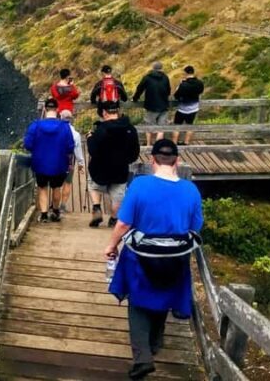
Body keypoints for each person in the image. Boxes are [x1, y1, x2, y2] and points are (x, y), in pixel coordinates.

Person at [104, 139, 203, 380]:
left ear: (153, 161)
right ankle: (155, 341)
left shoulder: (140, 185)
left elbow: (124, 223)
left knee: (137, 303)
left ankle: (142, 358)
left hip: (142, 256)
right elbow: (196, 226)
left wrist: (111, 245)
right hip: (175, 258)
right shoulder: (191, 190)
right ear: (177, 161)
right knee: (164, 295)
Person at [86, 103, 140, 228]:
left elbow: (93, 150)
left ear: (104, 113)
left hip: (100, 167)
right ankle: (114, 218)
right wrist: (126, 160)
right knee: (117, 195)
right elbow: (135, 153)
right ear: (118, 111)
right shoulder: (130, 129)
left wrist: (89, 138)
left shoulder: (101, 130)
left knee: (93, 186)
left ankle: (96, 207)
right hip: (120, 168)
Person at [24, 98, 75, 223]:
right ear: (57, 110)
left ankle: (44, 215)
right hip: (59, 164)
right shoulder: (65, 126)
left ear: (45, 109)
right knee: (56, 187)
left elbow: (28, 144)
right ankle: (56, 212)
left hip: (40, 163)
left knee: (42, 188)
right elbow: (70, 147)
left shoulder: (35, 125)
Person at [132, 62, 171, 146]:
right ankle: (157, 146)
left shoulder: (147, 78)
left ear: (153, 68)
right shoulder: (165, 77)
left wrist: (135, 98)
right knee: (161, 128)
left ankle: (149, 145)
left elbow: (140, 89)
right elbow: (168, 91)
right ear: (161, 68)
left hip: (151, 106)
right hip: (164, 105)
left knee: (149, 125)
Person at [60, 109, 85, 212]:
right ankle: (63, 206)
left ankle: (54, 206)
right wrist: (81, 163)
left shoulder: (56, 131)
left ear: (60, 118)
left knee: (56, 183)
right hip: (69, 161)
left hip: (56, 160)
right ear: (71, 120)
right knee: (67, 182)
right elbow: (78, 150)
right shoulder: (76, 134)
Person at [172, 66, 204, 146]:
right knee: (190, 125)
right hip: (193, 108)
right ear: (193, 72)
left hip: (182, 109)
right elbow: (200, 91)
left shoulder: (183, 85)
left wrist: (180, 85)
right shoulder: (199, 83)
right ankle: (186, 142)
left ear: (185, 73)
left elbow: (176, 95)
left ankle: (174, 143)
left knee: (177, 126)